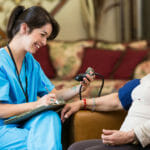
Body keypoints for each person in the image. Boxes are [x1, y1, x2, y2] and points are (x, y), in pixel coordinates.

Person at [0, 5, 94, 150]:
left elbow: (53, 95)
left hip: (25, 122)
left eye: (46, 38)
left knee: (50, 117)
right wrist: (37, 104)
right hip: (3, 129)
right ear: (24, 28)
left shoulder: (32, 64)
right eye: (42, 35)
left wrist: (79, 88)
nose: (44, 42)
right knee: (40, 140)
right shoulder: (1, 62)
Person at [61, 74, 150, 150]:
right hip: (126, 140)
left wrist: (130, 136)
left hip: (142, 142)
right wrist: (82, 103)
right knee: (76, 148)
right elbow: (119, 100)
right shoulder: (146, 79)